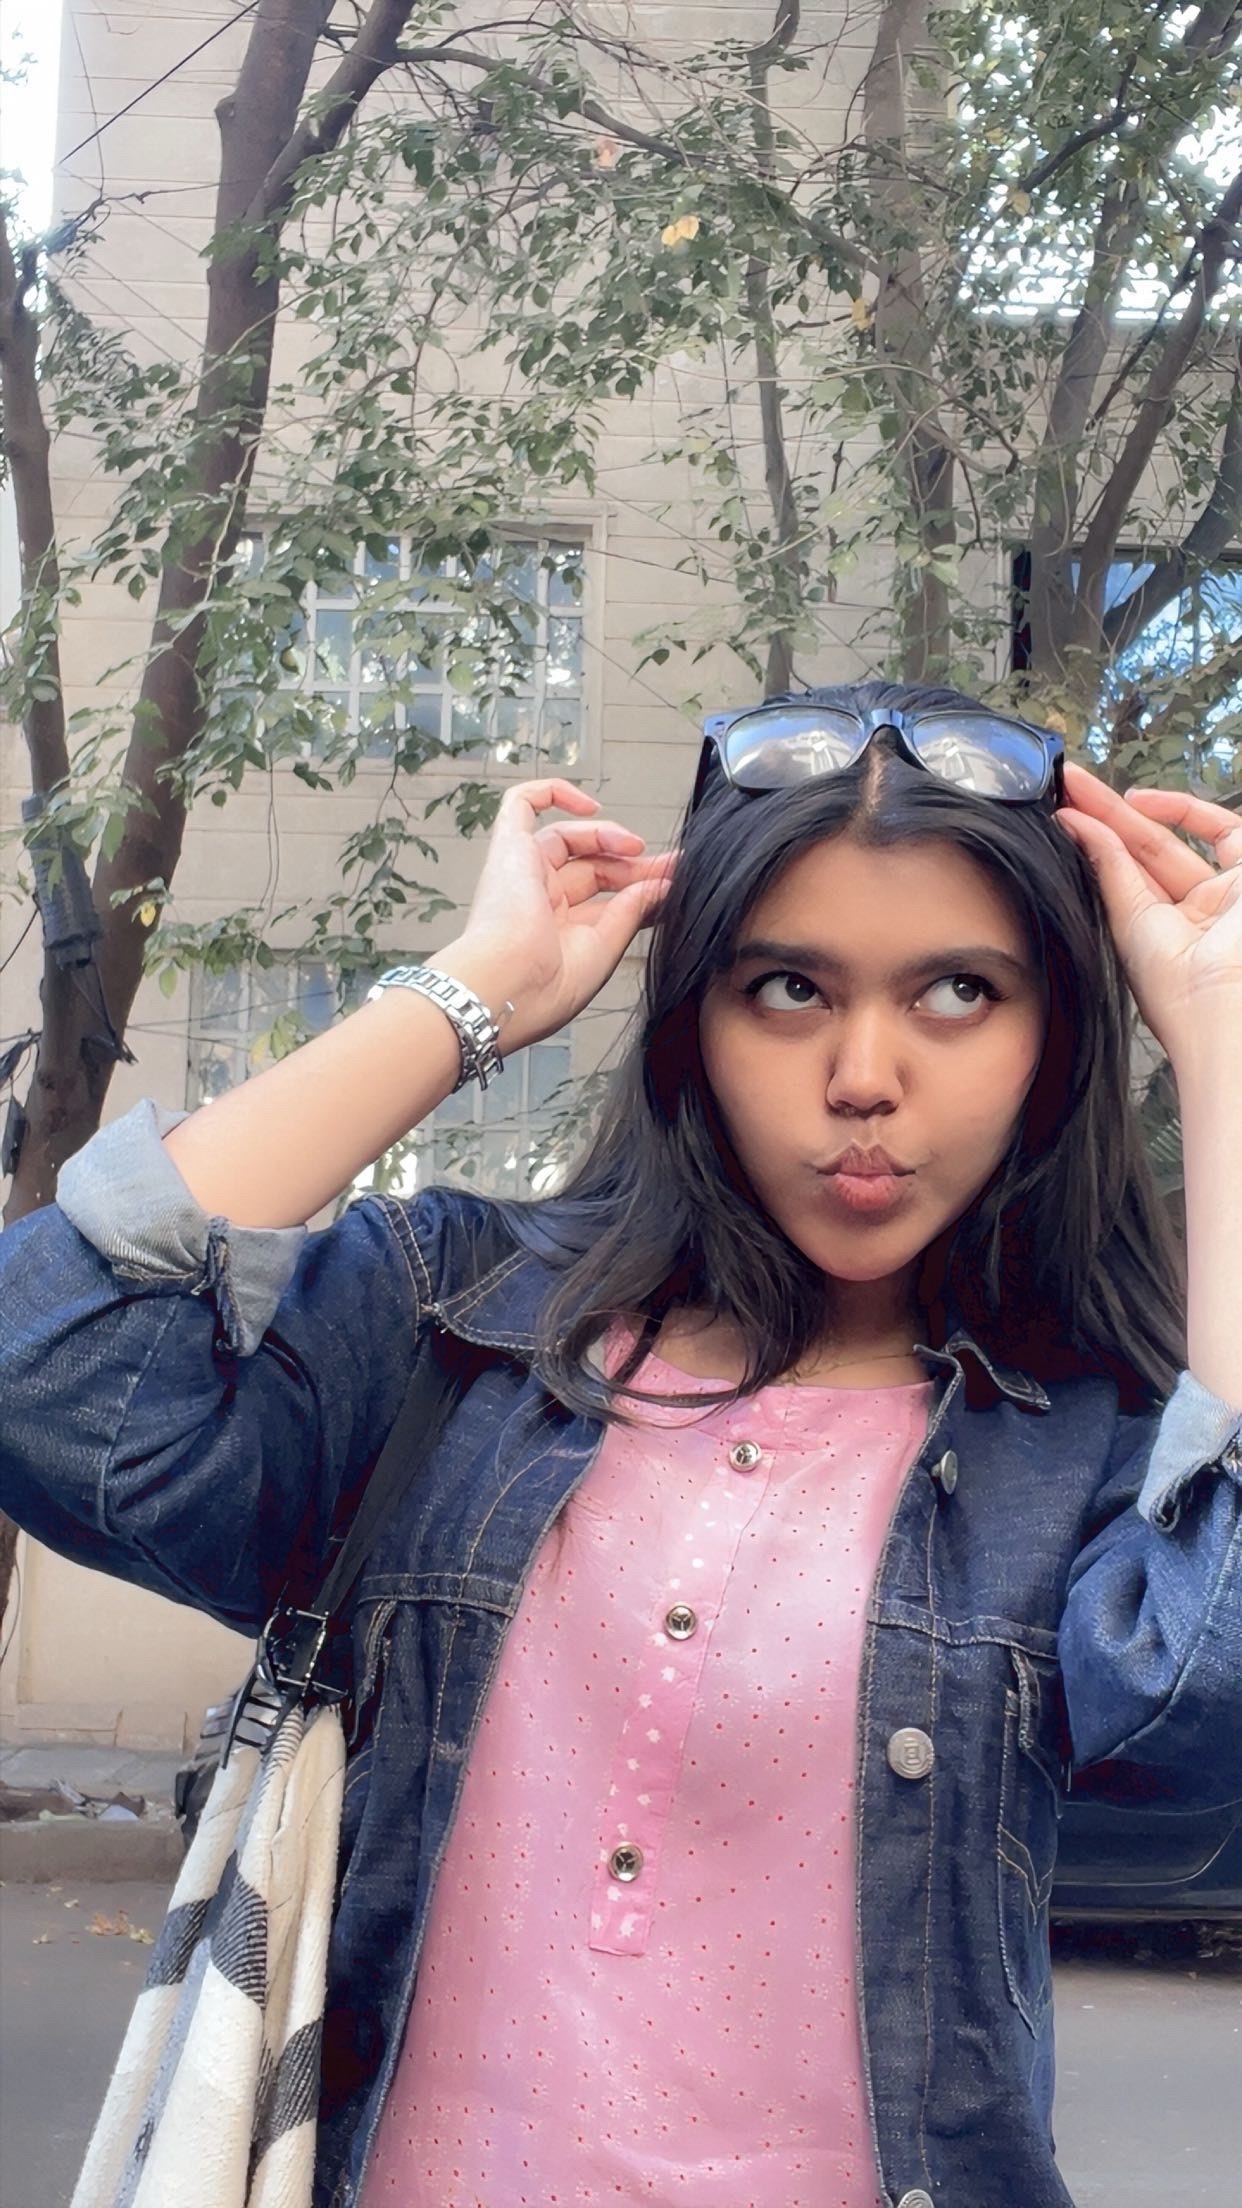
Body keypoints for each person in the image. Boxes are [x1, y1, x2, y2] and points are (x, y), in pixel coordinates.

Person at [2, 677, 1241, 2208]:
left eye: (956, 992)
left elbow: (1204, 1710)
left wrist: (1222, 1048)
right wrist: (468, 994)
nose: (864, 1075)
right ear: (691, 1012)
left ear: (1053, 1036)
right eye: (786, 987)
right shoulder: (452, 1329)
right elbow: (48, 1370)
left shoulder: (1081, 1442)